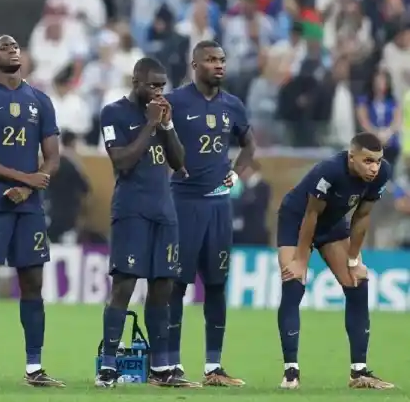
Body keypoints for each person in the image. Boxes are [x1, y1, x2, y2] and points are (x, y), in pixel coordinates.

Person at [0, 34, 63, 387]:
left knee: (32, 283)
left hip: (29, 206)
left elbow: (53, 157)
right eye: (3, 47)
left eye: (15, 46)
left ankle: (34, 367)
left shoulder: (40, 100)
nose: (12, 50)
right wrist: (24, 178)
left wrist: (30, 186)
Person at [96, 57, 194, 388]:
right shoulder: (113, 113)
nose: (158, 91)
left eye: (162, 86)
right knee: (124, 286)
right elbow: (122, 161)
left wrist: (166, 126)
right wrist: (150, 125)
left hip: (164, 212)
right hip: (131, 210)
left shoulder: (163, 115)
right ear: (135, 82)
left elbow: (179, 163)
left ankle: (161, 368)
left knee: (162, 289)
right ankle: (108, 366)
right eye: (152, 85)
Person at [164, 41, 255, 386]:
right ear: (195, 65)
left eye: (222, 60)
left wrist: (236, 172)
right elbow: (156, 143)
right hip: (183, 203)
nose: (219, 65)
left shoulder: (233, 105)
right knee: (176, 285)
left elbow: (249, 145)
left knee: (216, 285)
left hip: (219, 205)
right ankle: (170, 365)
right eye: (211, 60)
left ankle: (213, 367)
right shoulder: (175, 102)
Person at [276, 132, 394, 390]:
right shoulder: (329, 170)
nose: (374, 168)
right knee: (294, 282)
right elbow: (310, 215)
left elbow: (362, 216)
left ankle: (359, 373)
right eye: (368, 161)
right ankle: (291, 372)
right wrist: (300, 260)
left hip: (331, 224)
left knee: (357, 283)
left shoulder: (383, 173)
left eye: (377, 161)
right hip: (296, 220)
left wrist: (353, 260)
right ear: (352, 157)